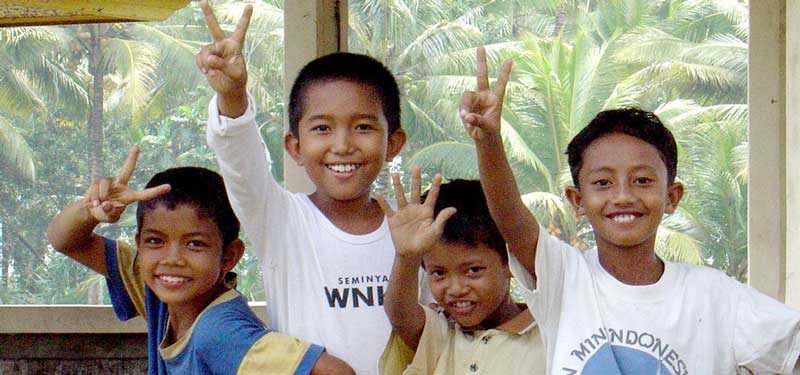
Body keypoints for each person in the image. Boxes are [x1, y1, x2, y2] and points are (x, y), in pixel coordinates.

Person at [459, 46, 800, 374]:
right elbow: (508, 215)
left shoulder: (716, 297)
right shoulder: (565, 278)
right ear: (577, 201)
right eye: (603, 183)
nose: (623, 196)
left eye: (641, 181)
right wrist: (489, 142)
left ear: (672, 196)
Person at [195, 2, 407, 373]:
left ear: (394, 143)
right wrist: (232, 95)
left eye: (363, 127)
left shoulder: (413, 229)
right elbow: (241, 163)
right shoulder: (281, 222)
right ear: (295, 147)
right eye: (322, 128)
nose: (342, 145)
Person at [46, 146, 353, 375]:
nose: (172, 259)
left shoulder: (218, 331)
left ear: (229, 256)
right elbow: (65, 240)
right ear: (140, 244)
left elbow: (336, 372)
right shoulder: (157, 292)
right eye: (155, 241)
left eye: (195, 244)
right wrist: (90, 208)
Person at [376, 171, 546, 375]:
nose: (455, 289)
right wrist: (406, 257)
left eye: (473, 271)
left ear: (510, 263)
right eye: (438, 273)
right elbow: (400, 314)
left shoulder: (547, 334)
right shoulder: (438, 333)